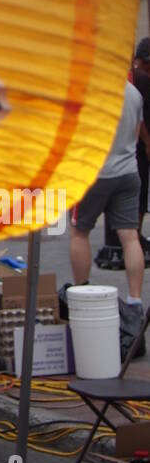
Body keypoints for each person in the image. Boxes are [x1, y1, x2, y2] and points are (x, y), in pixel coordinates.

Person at [69, 78, 149, 357]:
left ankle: (81, 293)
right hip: (128, 172)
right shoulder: (134, 93)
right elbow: (140, 131)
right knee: (130, 236)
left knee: (80, 231)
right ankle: (135, 301)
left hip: (94, 174)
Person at [131, 38, 150, 262]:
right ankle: (134, 234)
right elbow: (140, 118)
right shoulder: (141, 81)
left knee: (140, 192)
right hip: (138, 147)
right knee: (139, 191)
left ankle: (134, 234)